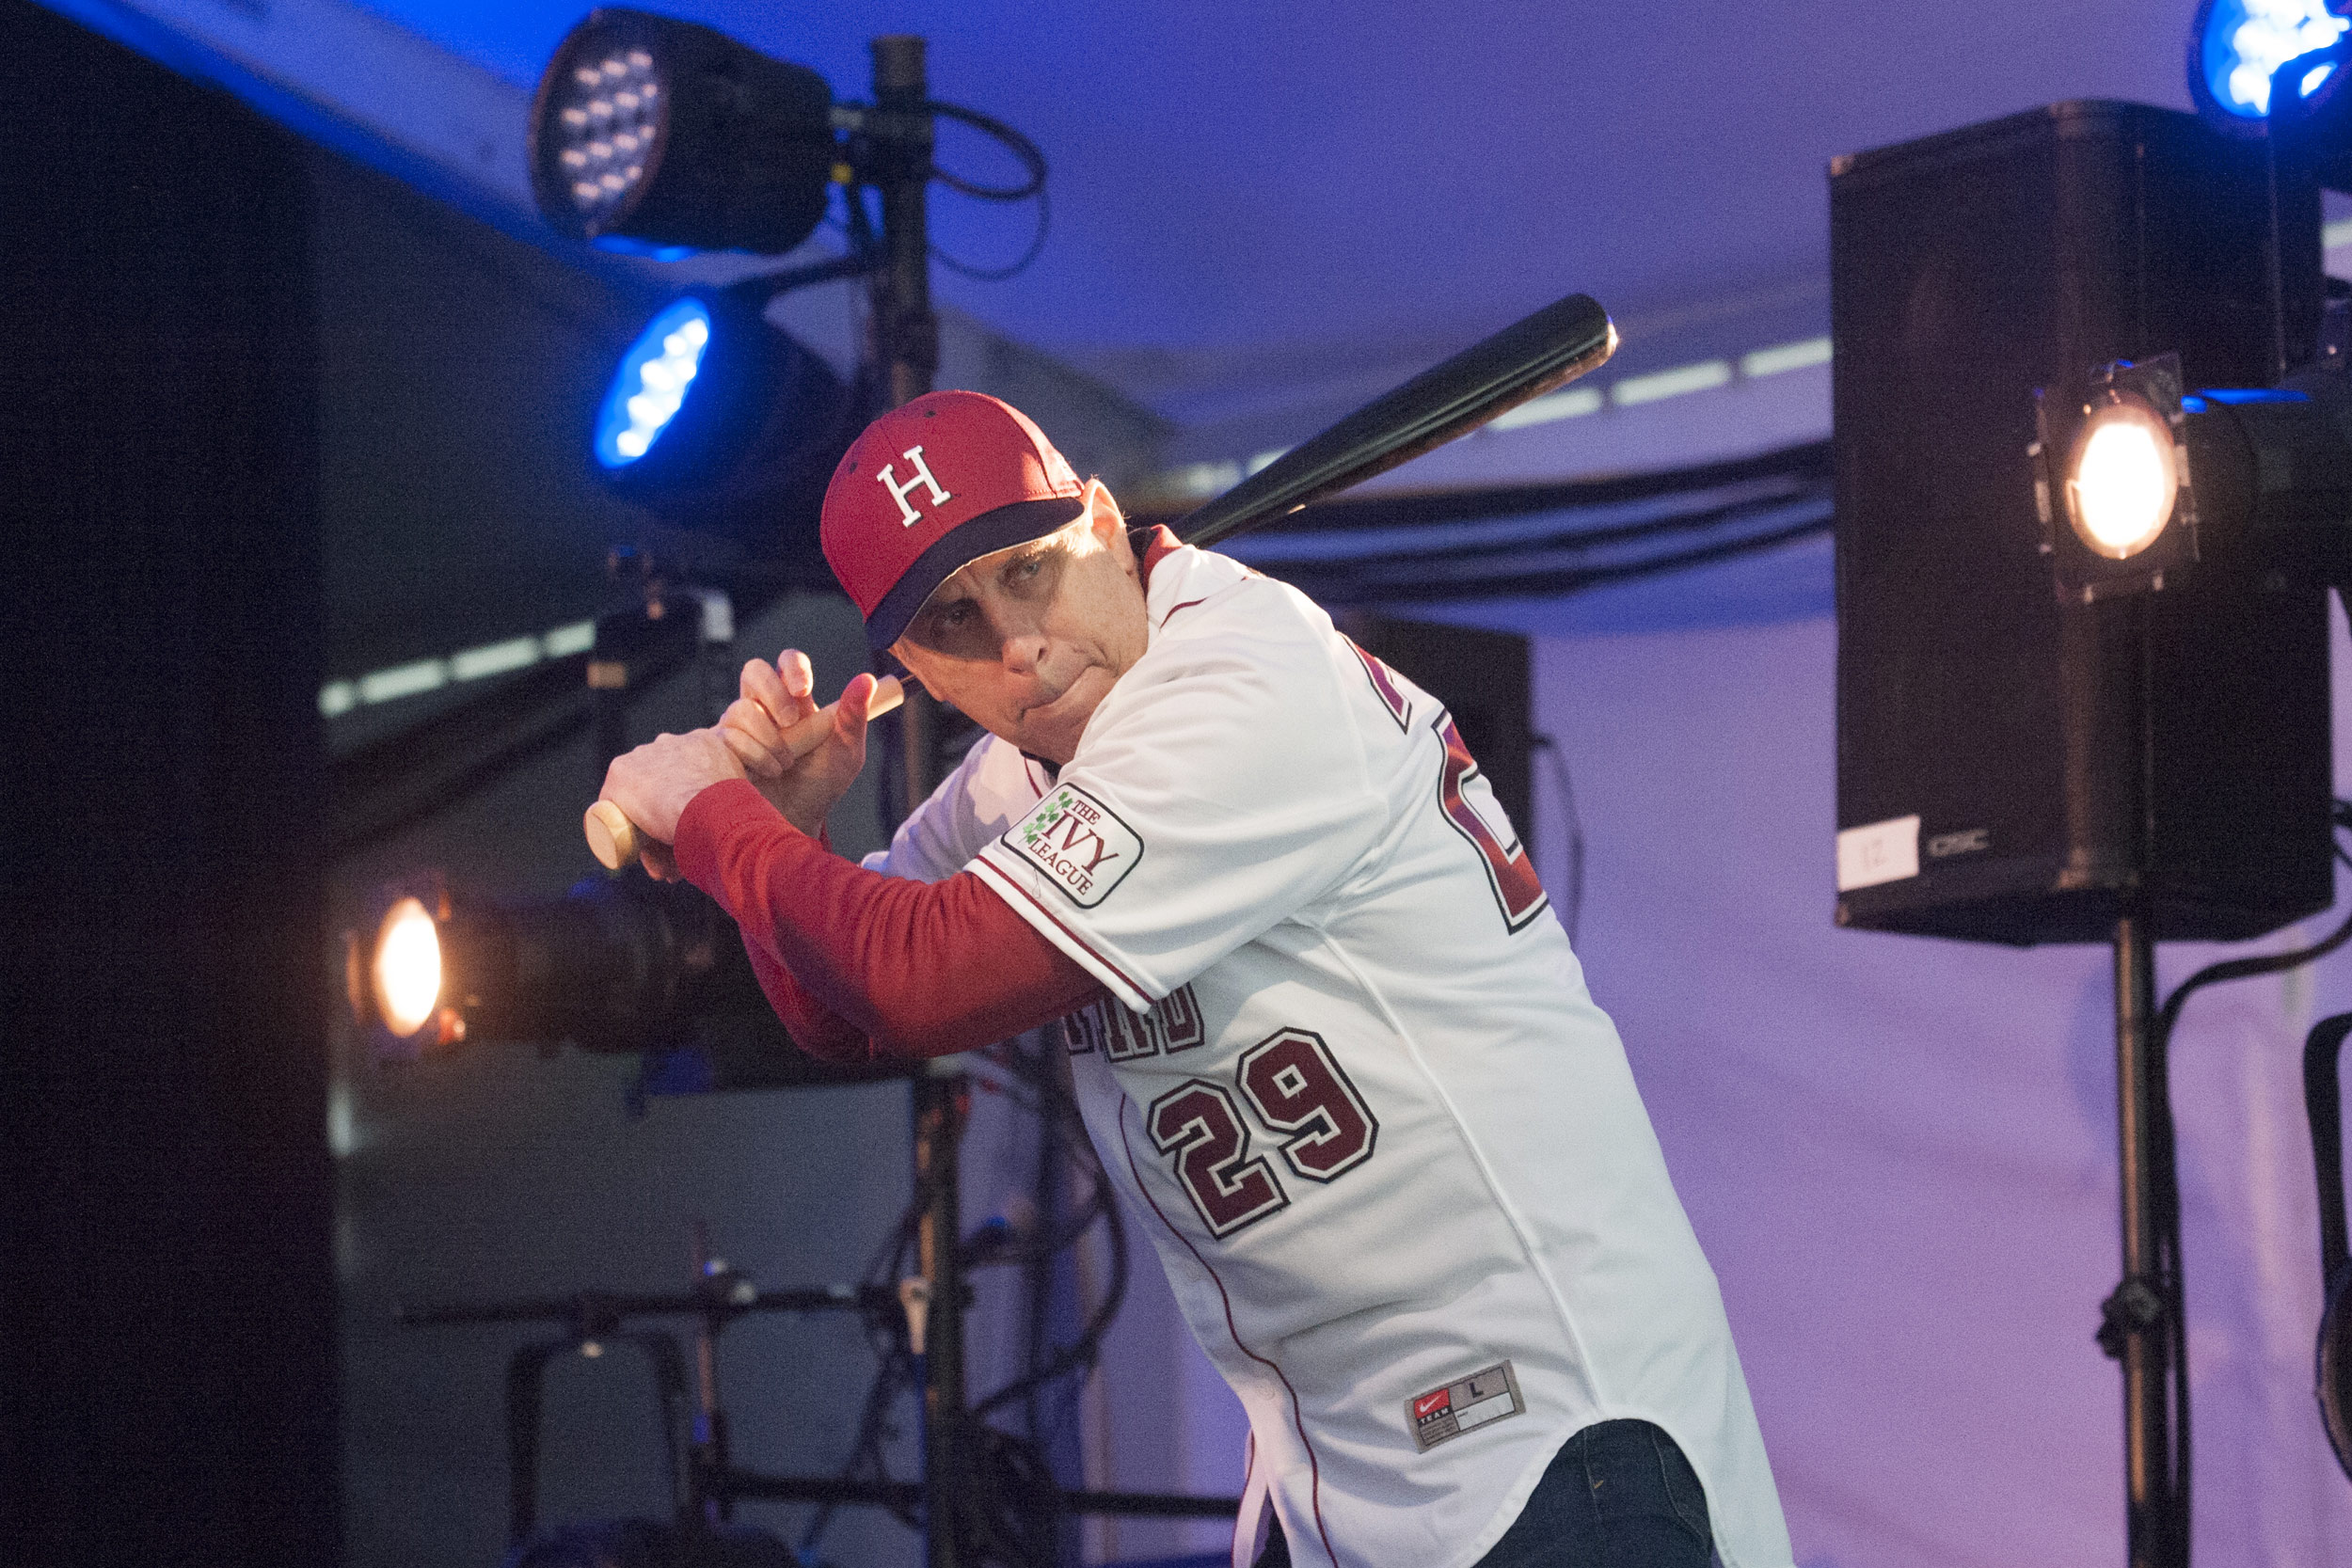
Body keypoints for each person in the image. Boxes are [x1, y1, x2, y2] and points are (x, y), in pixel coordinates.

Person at [598, 390, 1793, 1568]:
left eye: (1028, 569)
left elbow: (923, 980)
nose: (1018, 643)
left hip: (1547, 1430)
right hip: (1342, 1462)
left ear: (1104, 524)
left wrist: (712, 816)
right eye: (954, 621)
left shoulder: (1243, 678)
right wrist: (784, 835)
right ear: (906, 665)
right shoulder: (1020, 772)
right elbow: (848, 1016)